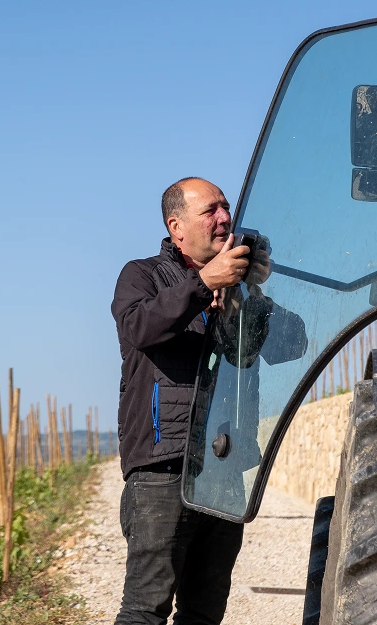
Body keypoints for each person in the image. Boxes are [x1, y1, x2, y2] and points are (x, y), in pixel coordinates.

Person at [111, 177, 252, 625]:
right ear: (177, 227)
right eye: (211, 209)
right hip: (161, 467)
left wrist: (260, 292)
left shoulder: (240, 285)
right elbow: (139, 326)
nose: (225, 218)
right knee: (144, 610)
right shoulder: (143, 275)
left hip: (223, 469)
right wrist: (202, 284)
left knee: (204, 613)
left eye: (226, 208)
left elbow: (292, 343)